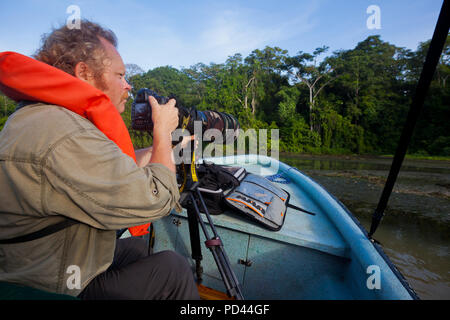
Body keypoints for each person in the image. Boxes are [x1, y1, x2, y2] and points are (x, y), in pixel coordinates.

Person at [0, 20, 200, 300]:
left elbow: (115, 164)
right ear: (84, 72)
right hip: (48, 285)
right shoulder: (66, 134)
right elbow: (157, 198)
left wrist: (167, 148)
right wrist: (162, 132)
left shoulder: (44, 116)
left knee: (139, 249)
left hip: (53, 257)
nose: (127, 85)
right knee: (173, 268)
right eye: (120, 75)